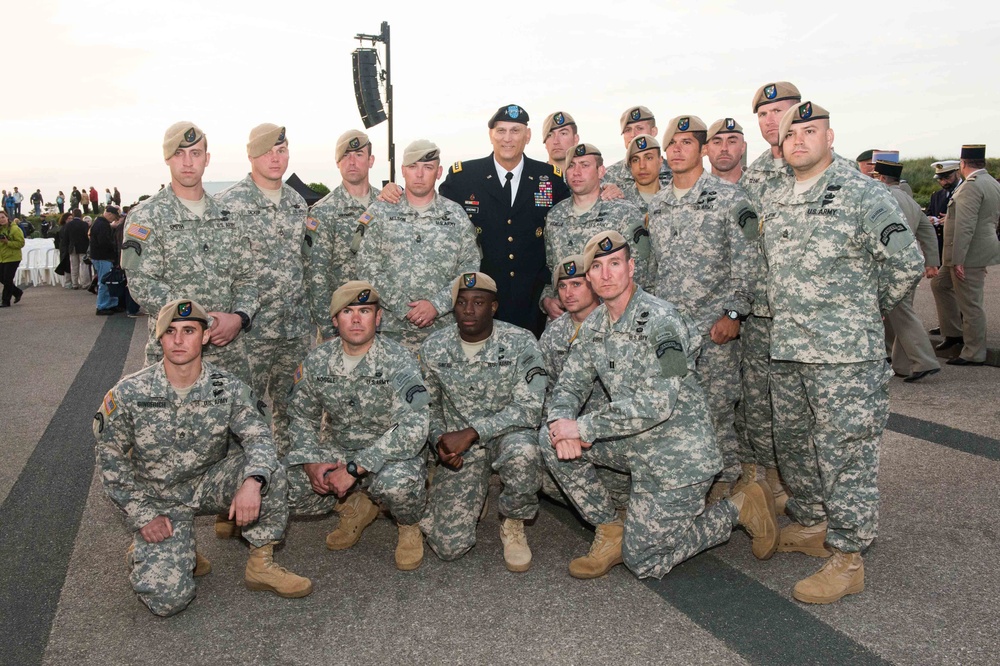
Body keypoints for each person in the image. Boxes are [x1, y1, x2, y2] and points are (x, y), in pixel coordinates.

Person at [543, 230, 778, 580]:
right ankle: (610, 529)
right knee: (546, 441)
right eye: (597, 267)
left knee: (644, 560)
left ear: (632, 267)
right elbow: (570, 385)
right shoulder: (595, 325)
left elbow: (659, 402)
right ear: (589, 277)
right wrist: (562, 420)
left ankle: (739, 508)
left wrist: (582, 428)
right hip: (633, 442)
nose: (606, 274)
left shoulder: (662, 321)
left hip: (678, 455)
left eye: (615, 264)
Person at [764, 101, 922, 604]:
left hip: (845, 357)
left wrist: (857, 313)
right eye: (792, 134)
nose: (799, 141)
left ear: (830, 138)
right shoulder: (779, 194)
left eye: (810, 131)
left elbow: (906, 262)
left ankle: (849, 556)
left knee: (844, 453)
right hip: (787, 348)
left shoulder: (862, 194)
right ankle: (814, 523)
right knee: (792, 442)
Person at [94, 298, 312, 617]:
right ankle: (164, 549)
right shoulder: (130, 393)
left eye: (189, 330)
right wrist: (142, 516)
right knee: (167, 600)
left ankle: (261, 565)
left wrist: (253, 482)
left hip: (209, 482)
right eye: (170, 332)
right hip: (159, 499)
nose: (179, 340)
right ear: (160, 337)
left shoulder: (227, 388)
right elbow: (110, 460)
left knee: (268, 471)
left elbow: (258, 435)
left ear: (205, 336)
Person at [647, 115, 757, 502]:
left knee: (717, 411)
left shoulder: (731, 199)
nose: (677, 150)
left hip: (714, 330)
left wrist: (734, 314)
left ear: (704, 150)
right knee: (675, 408)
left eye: (687, 143)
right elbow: (651, 269)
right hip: (671, 334)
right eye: (671, 144)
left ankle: (727, 488)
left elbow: (748, 260)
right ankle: (687, 484)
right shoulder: (657, 206)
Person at [285, 281, 430, 571]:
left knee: (398, 485)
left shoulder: (399, 359)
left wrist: (355, 469)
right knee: (281, 486)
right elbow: (302, 416)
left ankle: (408, 524)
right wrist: (310, 461)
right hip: (338, 447)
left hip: (389, 453)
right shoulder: (317, 360)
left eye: (364, 311)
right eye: (346, 311)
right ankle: (354, 507)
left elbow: (414, 426)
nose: (355, 319)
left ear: (378, 318)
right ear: (334, 320)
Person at [419, 272, 546, 572]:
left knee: (525, 453)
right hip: (461, 451)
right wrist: (440, 441)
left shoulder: (520, 341)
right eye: (461, 302)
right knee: (449, 548)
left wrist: (474, 431)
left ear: (493, 307)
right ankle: (475, 492)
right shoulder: (434, 347)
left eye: (478, 302)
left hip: (507, 437)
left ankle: (513, 521)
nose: (469, 309)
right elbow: (426, 407)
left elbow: (530, 409)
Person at [121, 121, 257, 383]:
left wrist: (239, 317)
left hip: (228, 354)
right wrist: (202, 320)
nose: (187, 162)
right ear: (167, 159)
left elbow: (248, 278)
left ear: (206, 160)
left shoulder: (229, 216)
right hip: (174, 352)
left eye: (195, 153)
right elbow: (142, 284)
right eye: (179, 153)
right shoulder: (146, 216)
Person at [217, 124, 312, 457]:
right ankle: (239, 487)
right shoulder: (228, 205)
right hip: (251, 331)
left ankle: (289, 480)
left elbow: (305, 263)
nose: (276, 157)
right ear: (250, 154)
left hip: (295, 329)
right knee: (243, 410)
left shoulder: (298, 203)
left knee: (295, 406)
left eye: (282, 150)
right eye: (268, 151)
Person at [438, 104, 570, 336]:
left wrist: (608, 188)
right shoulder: (464, 178)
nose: (507, 138)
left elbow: (572, 216)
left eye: (515, 131)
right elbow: (436, 212)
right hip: (480, 301)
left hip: (532, 303)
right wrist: (396, 194)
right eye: (501, 131)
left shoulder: (549, 178)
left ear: (527, 136)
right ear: (491, 135)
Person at [735, 81, 803, 515]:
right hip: (760, 317)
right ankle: (771, 481)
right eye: (764, 113)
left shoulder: (838, 171)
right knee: (760, 404)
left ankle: (812, 498)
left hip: (810, 321)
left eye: (782, 110)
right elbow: (741, 246)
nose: (772, 120)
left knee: (809, 414)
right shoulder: (752, 177)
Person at [353, 140, 480, 352]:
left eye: (428, 167)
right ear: (403, 171)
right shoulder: (381, 212)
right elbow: (366, 267)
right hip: (390, 332)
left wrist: (436, 305)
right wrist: (404, 307)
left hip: (443, 332)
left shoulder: (456, 215)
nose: (419, 174)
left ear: (439, 172)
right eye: (413, 167)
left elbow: (469, 268)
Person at [537, 254, 630, 512]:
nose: (568, 293)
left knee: (626, 498)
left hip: (612, 433)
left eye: (577, 284)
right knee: (533, 467)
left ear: (593, 283)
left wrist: (585, 428)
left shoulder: (617, 325)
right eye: (563, 286)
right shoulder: (553, 334)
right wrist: (559, 428)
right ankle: (606, 519)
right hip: (570, 434)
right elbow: (545, 391)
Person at [540, 142, 648, 320]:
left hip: (614, 319)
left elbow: (641, 271)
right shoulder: (555, 216)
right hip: (567, 322)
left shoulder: (624, 212)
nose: (576, 172)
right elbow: (550, 269)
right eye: (571, 166)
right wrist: (546, 299)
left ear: (601, 172)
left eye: (585, 165)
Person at [306, 130, 379, 340]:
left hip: (383, 326)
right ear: (337, 163)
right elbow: (316, 278)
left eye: (358, 154)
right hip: (341, 327)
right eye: (345, 156)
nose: (352, 161)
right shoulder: (323, 211)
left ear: (371, 160)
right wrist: (329, 331)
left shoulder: (386, 207)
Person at [931, 144, 1000, 366]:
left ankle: (973, 352)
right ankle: (954, 334)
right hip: (971, 250)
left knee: (970, 303)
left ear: (962, 165)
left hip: (966, 254)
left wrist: (958, 259)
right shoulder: (990, 182)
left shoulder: (972, 186)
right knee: (940, 285)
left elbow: (966, 225)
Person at [873, 160, 941, 381]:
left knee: (902, 315)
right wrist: (931, 261)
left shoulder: (883, 197)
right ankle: (902, 365)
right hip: (910, 264)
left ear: (881, 178)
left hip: (890, 266)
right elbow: (927, 230)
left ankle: (924, 362)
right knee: (899, 314)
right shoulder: (909, 200)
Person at [603, 106, 672, 190]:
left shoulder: (674, 172)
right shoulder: (607, 176)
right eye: (627, 130)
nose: (633, 134)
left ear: (653, 132)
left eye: (639, 128)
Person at [925, 160, 962, 270]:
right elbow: (929, 213)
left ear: (958, 173)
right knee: (939, 285)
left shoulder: (965, 191)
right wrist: (929, 219)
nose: (944, 182)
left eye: (947, 177)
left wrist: (952, 219)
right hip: (941, 247)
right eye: (940, 179)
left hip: (958, 246)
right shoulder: (937, 195)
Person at [89, 205, 122, 315]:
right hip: (103, 257)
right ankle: (102, 305)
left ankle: (110, 304)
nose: (114, 219)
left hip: (100, 256)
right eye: (113, 216)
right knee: (105, 282)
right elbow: (104, 242)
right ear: (109, 214)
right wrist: (114, 247)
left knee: (108, 281)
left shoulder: (100, 223)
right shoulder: (102, 225)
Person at [705, 118, 746, 184]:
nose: (724, 148)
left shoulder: (762, 188)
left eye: (732, 142)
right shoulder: (694, 190)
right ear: (706, 149)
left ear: (743, 147)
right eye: (717, 142)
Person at [0, 211, 25, 307]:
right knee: (2, 278)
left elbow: (21, 243)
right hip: (2, 258)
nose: (1, 220)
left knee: (7, 279)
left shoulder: (15, 229)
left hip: (13, 258)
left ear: (7, 218)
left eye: (3, 217)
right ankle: (17, 292)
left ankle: (5, 301)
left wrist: (7, 242)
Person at [63, 209, 91, 289]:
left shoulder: (68, 225)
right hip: (82, 247)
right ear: (81, 215)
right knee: (83, 265)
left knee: (74, 266)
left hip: (72, 247)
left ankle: (75, 283)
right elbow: (88, 236)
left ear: (73, 215)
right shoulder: (84, 225)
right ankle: (85, 283)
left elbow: (65, 238)